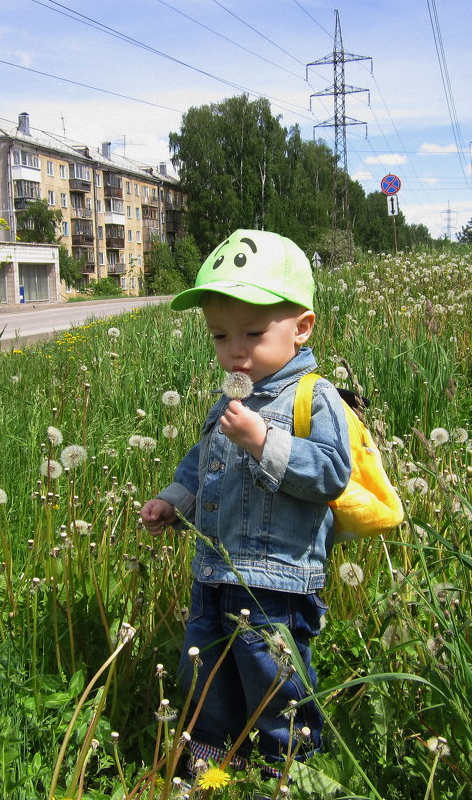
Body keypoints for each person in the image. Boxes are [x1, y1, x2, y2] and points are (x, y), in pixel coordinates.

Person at [140, 229, 351, 779]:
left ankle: (288, 771)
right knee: (206, 672)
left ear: (301, 327)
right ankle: (210, 762)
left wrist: (263, 441)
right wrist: (172, 499)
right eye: (219, 336)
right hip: (212, 571)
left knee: (273, 675)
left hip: (276, 582)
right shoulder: (228, 400)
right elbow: (202, 463)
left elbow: (331, 474)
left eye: (254, 333)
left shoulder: (314, 397)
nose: (236, 350)